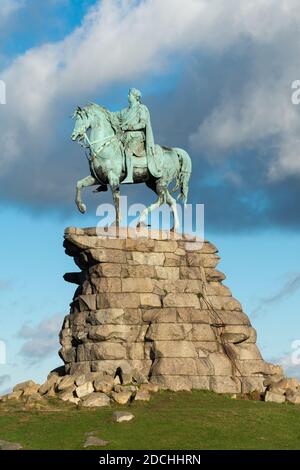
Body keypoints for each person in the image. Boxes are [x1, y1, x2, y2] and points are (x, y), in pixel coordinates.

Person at [114, 88, 155, 183]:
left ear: (135, 97)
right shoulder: (125, 111)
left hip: (136, 137)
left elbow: (143, 124)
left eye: (130, 95)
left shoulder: (141, 108)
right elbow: (114, 115)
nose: (128, 96)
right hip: (124, 137)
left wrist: (129, 127)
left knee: (128, 151)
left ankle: (129, 176)